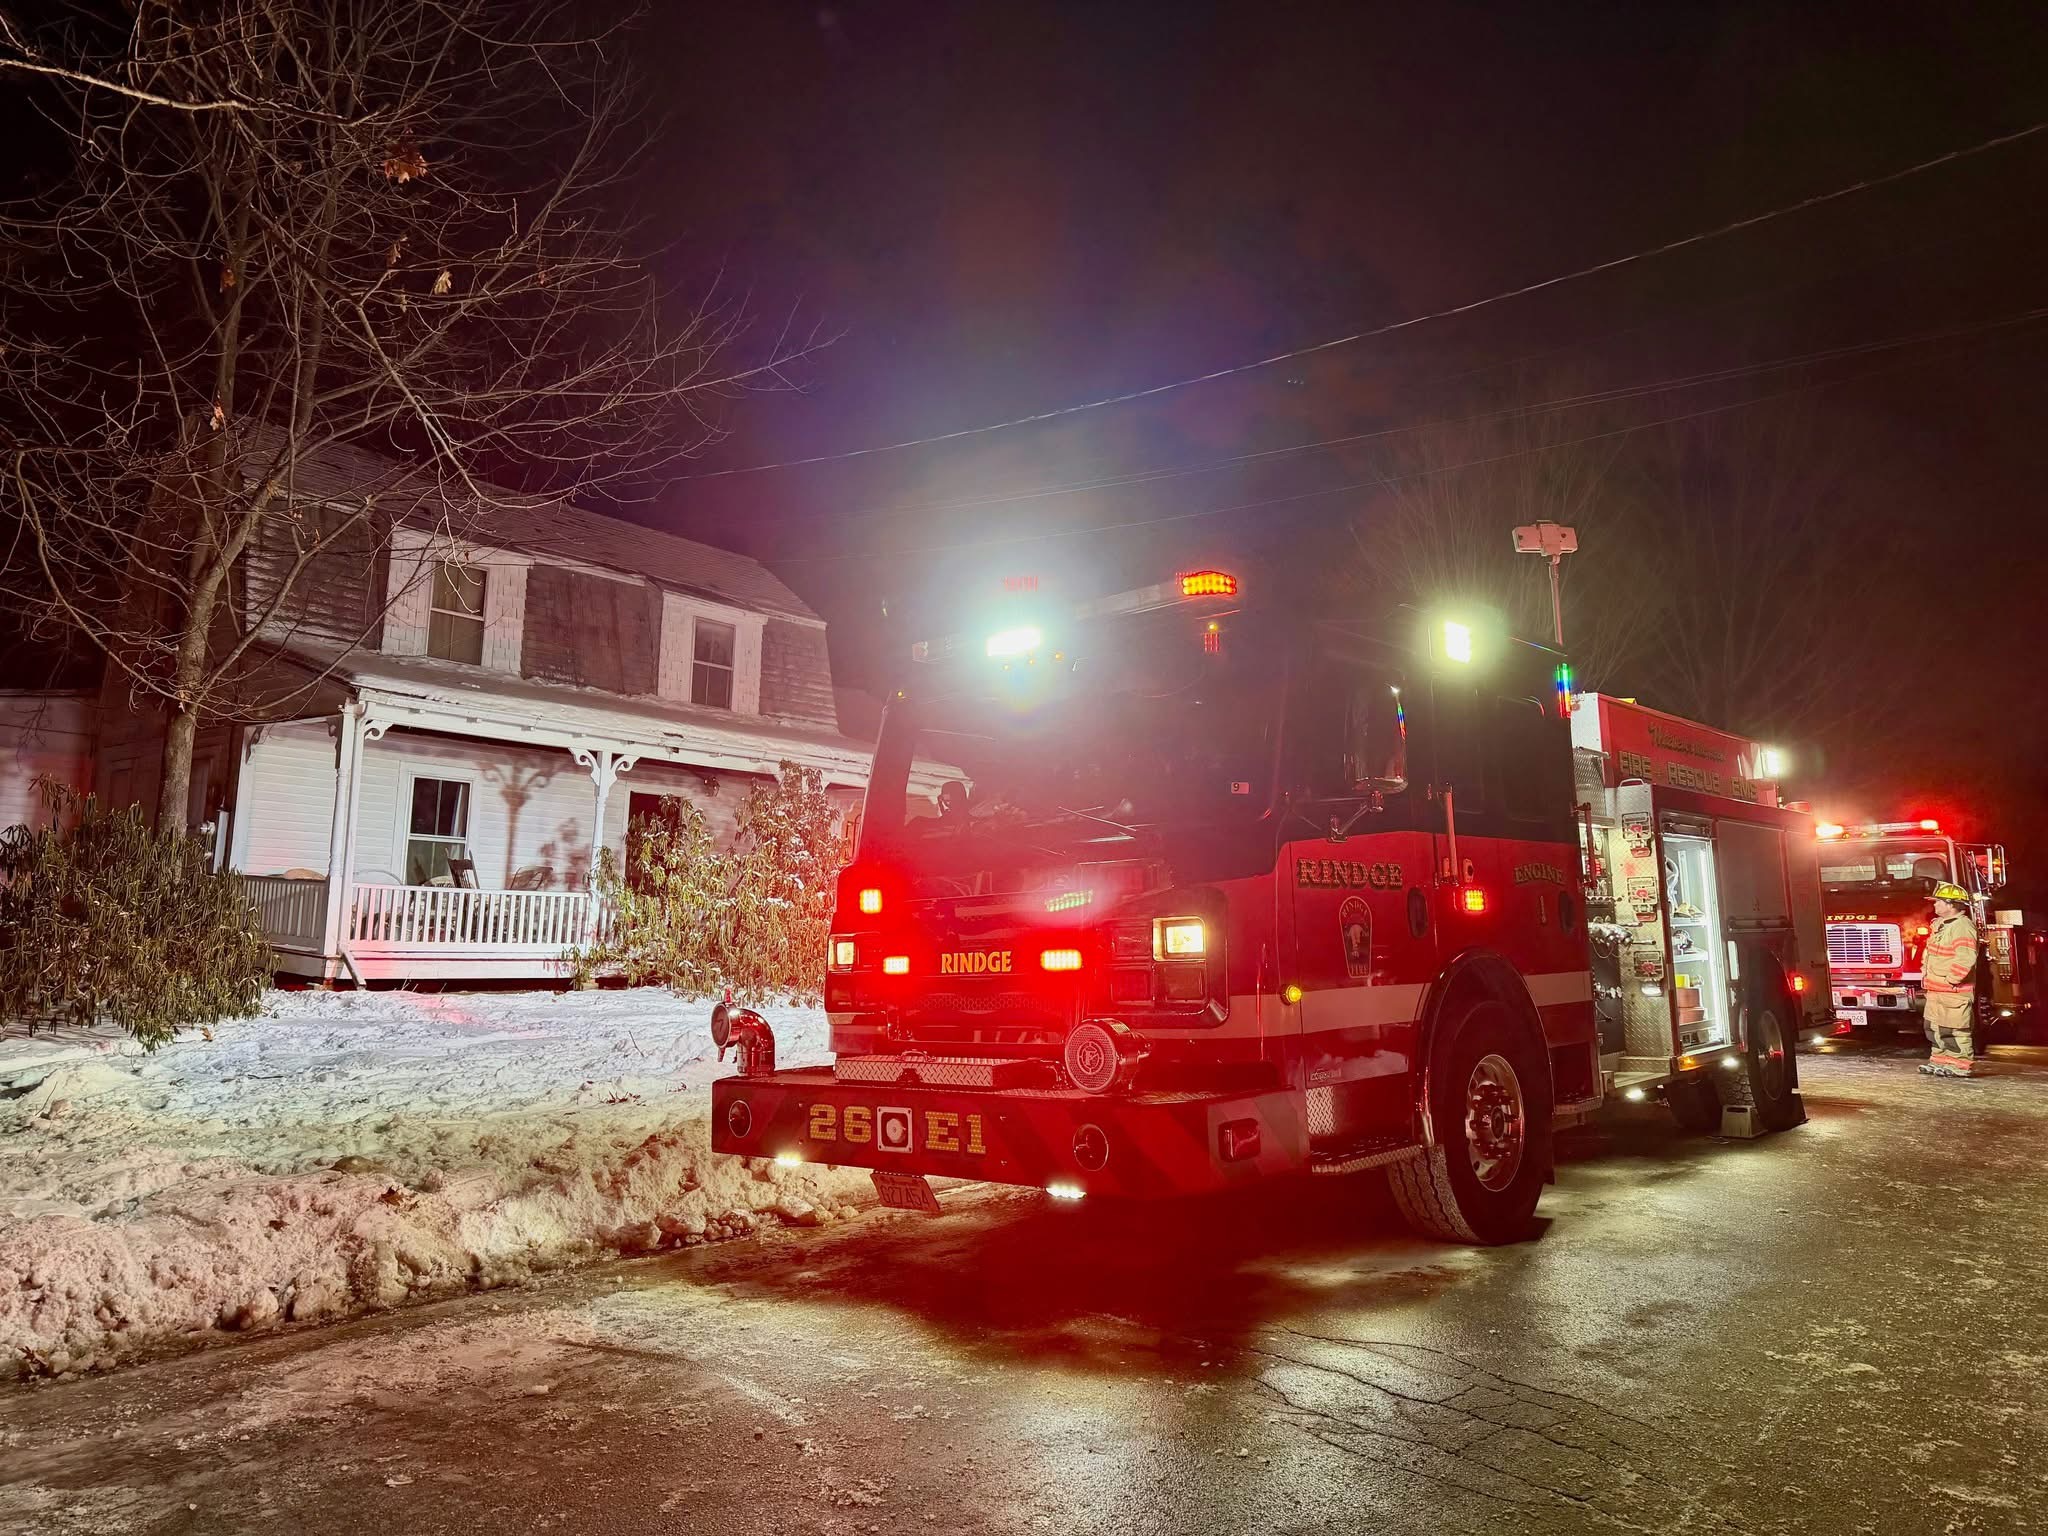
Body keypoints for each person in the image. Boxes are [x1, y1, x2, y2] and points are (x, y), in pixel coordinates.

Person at [1920, 883, 1981, 1078]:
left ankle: (1960, 1065)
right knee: (1935, 1027)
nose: (1935, 905)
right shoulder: (1940, 925)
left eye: (1938, 901)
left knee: (1955, 1030)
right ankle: (1939, 1061)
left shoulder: (1962, 927)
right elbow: (1929, 955)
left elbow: (1965, 957)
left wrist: (1952, 980)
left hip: (1953, 991)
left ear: (1951, 904)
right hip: (1937, 990)